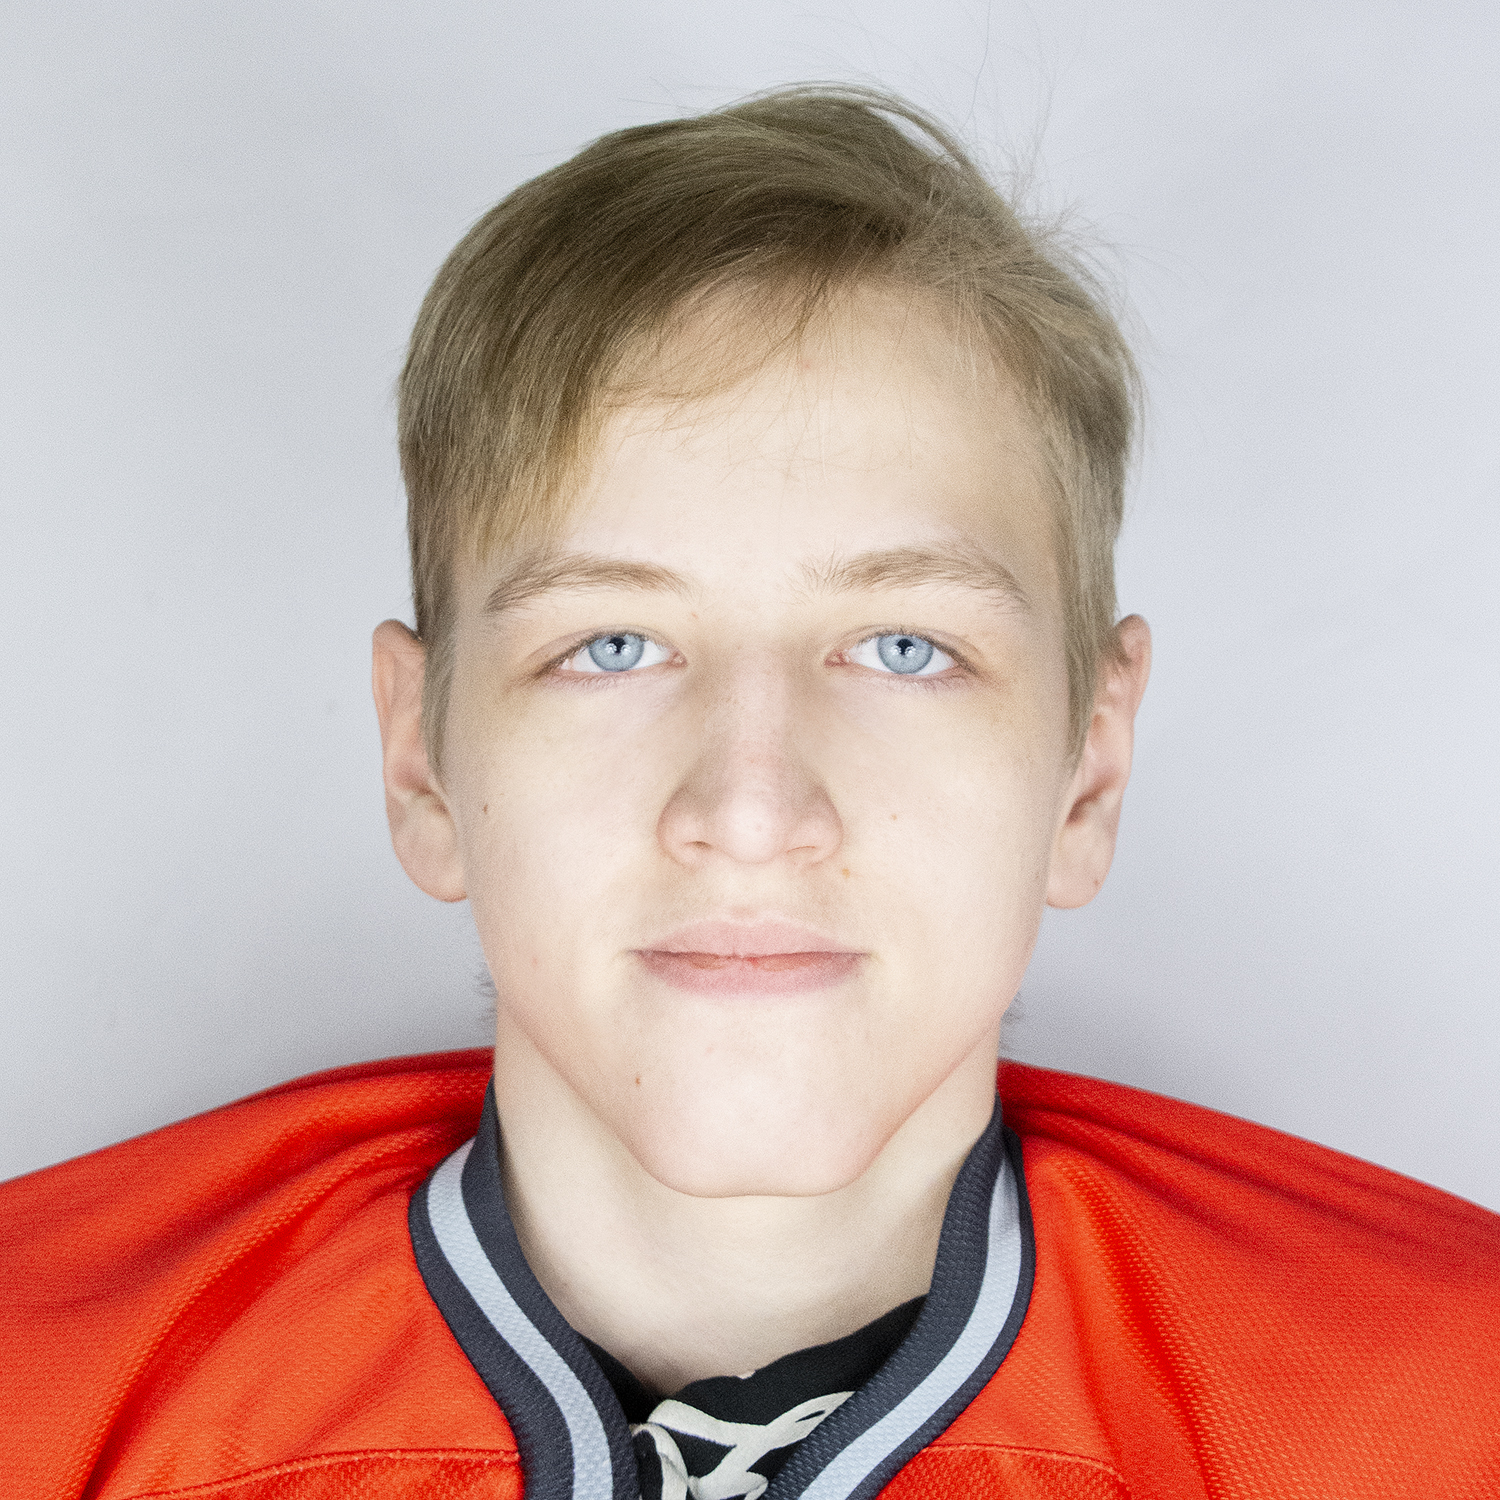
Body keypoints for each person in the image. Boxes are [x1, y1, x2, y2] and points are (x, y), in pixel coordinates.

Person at [3, 85, 1497, 1500]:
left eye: (905, 648)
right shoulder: (43, 1395)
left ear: (1089, 768)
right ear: (421, 762)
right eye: (612, 645)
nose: (753, 810)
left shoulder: (1449, 1413)